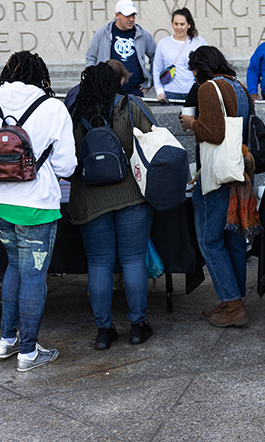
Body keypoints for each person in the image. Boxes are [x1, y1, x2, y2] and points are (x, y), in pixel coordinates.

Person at [68, 63, 155, 350]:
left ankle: (104, 330)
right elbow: (156, 145)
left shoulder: (75, 114)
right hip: (131, 194)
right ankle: (138, 325)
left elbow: (67, 160)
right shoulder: (131, 107)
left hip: (90, 198)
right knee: (133, 259)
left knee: (99, 263)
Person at [0, 51, 77, 371]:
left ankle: (5, 339)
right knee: (33, 274)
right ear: (40, 75)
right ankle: (28, 352)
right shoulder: (53, 107)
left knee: (13, 268)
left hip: (3, 202)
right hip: (38, 204)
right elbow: (66, 165)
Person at [181, 46, 260, 328]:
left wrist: (191, 123)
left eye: (193, 69)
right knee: (233, 238)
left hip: (218, 176)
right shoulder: (237, 86)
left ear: (201, 67)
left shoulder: (208, 88)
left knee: (210, 240)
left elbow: (214, 133)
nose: (193, 75)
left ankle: (234, 306)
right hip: (236, 170)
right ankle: (233, 300)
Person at [85, 0, 156, 97]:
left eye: (133, 15)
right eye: (127, 16)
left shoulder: (143, 35)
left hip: (135, 91)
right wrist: (94, 81)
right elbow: (91, 58)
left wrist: (152, 79)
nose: (131, 19)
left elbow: (155, 57)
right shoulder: (102, 33)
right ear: (117, 15)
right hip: (107, 91)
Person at [153, 8, 207, 102]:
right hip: (169, 93)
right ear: (172, 24)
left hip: (194, 92)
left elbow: (207, 66)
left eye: (182, 24)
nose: (178, 27)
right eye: (176, 24)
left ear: (189, 25)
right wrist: (159, 91)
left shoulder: (199, 42)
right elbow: (157, 68)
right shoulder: (163, 43)